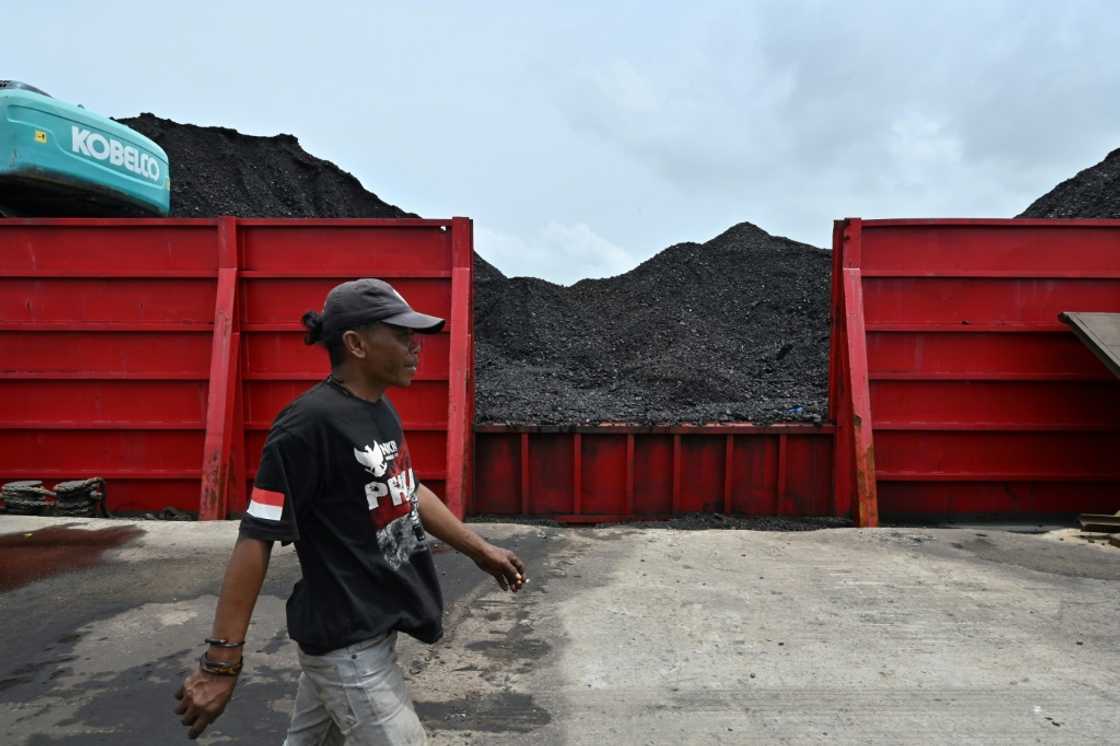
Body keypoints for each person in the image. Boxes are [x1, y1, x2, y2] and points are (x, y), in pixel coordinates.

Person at [174, 278, 527, 744]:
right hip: (347, 645)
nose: (415, 347)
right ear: (356, 344)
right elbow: (256, 537)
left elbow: (407, 487)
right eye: (402, 335)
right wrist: (221, 663)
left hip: (374, 628)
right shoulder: (306, 426)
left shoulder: (379, 409)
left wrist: (479, 550)